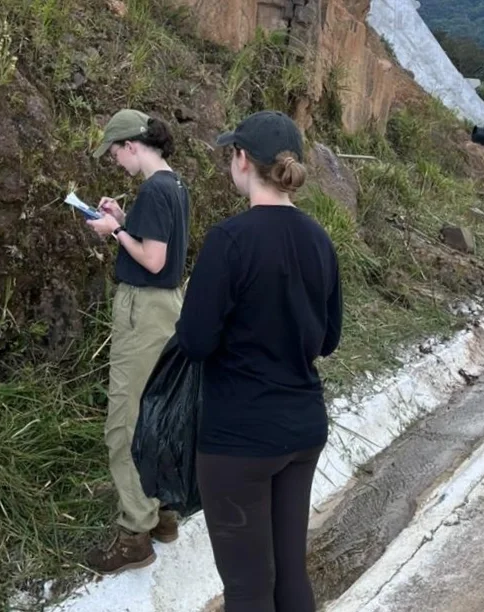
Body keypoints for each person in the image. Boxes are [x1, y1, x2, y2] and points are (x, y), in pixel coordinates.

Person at [175, 110, 343, 612]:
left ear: (243, 159)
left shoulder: (230, 240)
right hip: (303, 428)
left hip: (239, 439)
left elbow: (195, 342)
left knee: (248, 588)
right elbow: (328, 339)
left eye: (232, 153)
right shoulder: (319, 240)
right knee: (290, 575)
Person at [84, 109, 191, 573]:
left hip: (143, 310)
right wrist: (125, 219)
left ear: (131, 144)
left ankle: (134, 536)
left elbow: (151, 257)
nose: (114, 161)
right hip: (169, 307)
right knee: (157, 411)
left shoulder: (153, 187)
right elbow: (161, 246)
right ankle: (165, 514)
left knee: (124, 423)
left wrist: (115, 231)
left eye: (114, 152)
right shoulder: (174, 185)